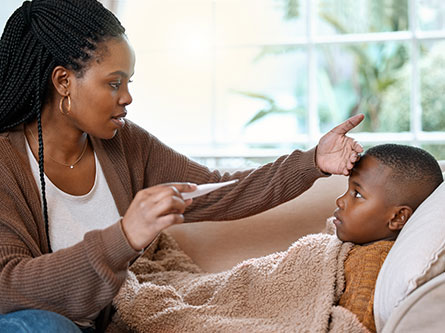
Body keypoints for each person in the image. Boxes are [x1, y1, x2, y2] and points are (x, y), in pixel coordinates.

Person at [0, 0, 364, 332]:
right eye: (114, 83)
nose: (127, 97)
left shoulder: (125, 143)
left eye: (128, 82)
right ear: (64, 81)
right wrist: (124, 237)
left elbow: (217, 190)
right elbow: (8, 286)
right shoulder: (6, 163)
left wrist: (313, 161)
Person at [331, 143, 443, 332]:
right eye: (348, 189)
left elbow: (352, 325)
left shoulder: (370, 264)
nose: (340, 201)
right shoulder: (355, 241)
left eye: (357, 194)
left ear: (397, 218)